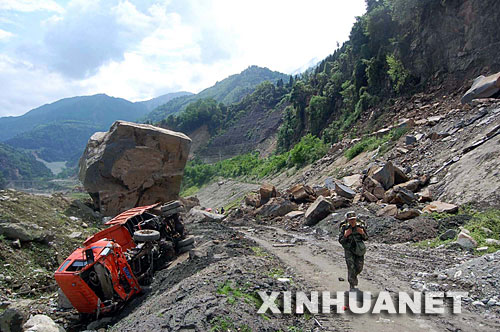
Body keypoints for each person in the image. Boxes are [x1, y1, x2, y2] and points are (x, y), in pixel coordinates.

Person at [338, 211, 368, 291]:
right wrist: (345, 235)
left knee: (359, 267)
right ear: (347, 220)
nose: (352, 221)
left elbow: (366, 238)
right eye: (350, 220)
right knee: (351, 267)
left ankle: (353, 277)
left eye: (353, 219)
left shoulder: (360, 226)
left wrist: (362, 233)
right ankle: (352, 285)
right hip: (349, 250)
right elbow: (340, 241)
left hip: (359, 250)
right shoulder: (344, 227)